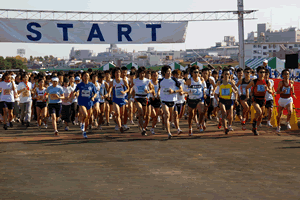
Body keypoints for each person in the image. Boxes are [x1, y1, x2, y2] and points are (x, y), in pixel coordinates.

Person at [246, 66, 272, 136]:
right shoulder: (254, 81)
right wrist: (248, 95)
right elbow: (247, 87)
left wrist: (268, 89)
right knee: (259, 112)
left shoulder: (267, 82)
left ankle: (255, 128)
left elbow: (271, 91)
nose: (263, 74)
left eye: (264, 72)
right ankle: (254, 124)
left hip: (263, 100)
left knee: (260, 117)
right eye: (261, 72)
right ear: (257, 73)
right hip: (255, 99)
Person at [158, 65, 182, 139]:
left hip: (172, 100)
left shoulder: (174, 80)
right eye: (168, 71)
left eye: (170, 71)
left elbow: (181, 89)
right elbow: (158, 89)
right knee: (167, 115)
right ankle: (169, 133)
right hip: (164, 100)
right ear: (164, 72)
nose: (169, 73)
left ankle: (175, 128)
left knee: (172, 117)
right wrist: (158, 94)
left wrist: (174, 91)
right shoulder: (161, 81)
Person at [73, 72, 97, 138]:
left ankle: (84, 132)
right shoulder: (79, 85)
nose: (86, 77)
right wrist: (75, 93)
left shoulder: (91, 85)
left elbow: (95, 93)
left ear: (89, 77)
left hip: (89, 103)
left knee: (88, 118)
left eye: (87, 76)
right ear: (82, 77)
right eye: (85, 76)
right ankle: (82, 123)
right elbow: (75, 90)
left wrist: (93, 97)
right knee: (85, 114)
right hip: (81, 102)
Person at [214, 68, 238, 134]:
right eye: (225, 74)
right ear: (222, 75)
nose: (226, 75)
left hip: (229, 100)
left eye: (227, 74)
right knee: (224, 113)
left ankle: (229, 125)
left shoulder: (231, 83)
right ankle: (225, 128)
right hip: (222, 100)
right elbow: (215, 94)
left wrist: (236, 99)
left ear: (229, 75)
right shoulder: (220, 83)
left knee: (230, 116)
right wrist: (218, 100)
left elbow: (236, 91)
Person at [131, 67, 153, 135]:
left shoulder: (147, 81)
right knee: (140, 110)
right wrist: (132, 96)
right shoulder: (135, 80)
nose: (142, 74)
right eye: (141, 73)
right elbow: (131, 88)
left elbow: (152, 90)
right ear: (138, 73)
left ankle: (142, 126)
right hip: (137, 97)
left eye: (143, 73)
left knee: (144, 115)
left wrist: (148, 91)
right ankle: (143, 129)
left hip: (144, 98)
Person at [185, 65, 207, 135]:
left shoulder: (201, 79)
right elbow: (184, 89)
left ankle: (200, 124)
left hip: (199, 98)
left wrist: (204, 93)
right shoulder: (189, 81)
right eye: (195, 72)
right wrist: (189, 91)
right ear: (192, 73)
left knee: (201, 112)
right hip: (191, 99)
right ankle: (190, 128)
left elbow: (204, 87)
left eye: (198, 72)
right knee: (191, 115)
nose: (197, 73)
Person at [108, 67, 130, 133]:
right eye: (116, 73)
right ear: (114, 74)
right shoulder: (112, 82)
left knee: (121, 114)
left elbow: (128, 88)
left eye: (119, 72)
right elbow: (110, 89)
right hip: (115, 100)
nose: (118, 74)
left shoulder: (123, 81)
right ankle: (120, 127)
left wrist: (124, 92)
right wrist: (109, 94)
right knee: (117, 114)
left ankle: (119, 123)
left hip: (122, 99)